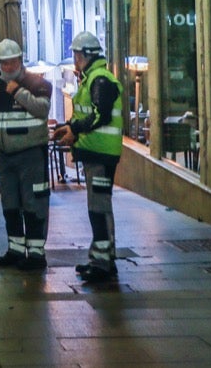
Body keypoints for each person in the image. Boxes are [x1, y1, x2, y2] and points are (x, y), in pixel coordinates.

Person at [0, 38, 52, 271]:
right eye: (3, 63)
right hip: (6, 156)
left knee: (33, 203)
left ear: (20, 60)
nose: (7, 67)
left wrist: (18, 92)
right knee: (10, 204)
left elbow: (42, 109)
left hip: (31, 154)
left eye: (11, 62)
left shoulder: (38, 83)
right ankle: (15, 249)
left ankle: (36, 253)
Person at [52, 32, 124, 283]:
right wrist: (68, 125)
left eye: (76, 54)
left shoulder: (100, 80)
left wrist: (75, 129)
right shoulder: (93, 78)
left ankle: (103, 263)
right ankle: (102, 257)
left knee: (98, 208)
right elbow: (90, 114)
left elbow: (99, 116)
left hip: (101, 154)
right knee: (99, 206)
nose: (74, 59)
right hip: (97, 152)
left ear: (85, 55)